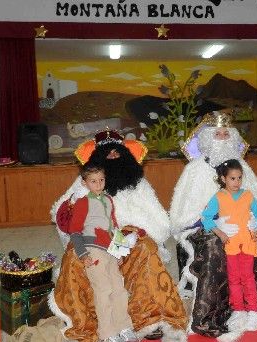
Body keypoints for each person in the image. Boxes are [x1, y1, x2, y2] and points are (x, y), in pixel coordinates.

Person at [170, 112, 257, 340]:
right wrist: (214, 224)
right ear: (207, 139)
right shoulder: (194, 170)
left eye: (226, 134)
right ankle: (217, 312)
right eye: (217, 134)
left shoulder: (243, 169)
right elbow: (183, 213)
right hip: (205, 228)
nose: (222, 138)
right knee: (214, 246)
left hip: (245, 227)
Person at [50, 129, 187, 341]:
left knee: (147, 250)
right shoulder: (84, 184)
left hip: (130, 243)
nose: (113, 157)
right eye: (108, 154)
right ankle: (96, 323)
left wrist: (136, 230)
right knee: (76, 259)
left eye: (117, 153)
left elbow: (160, 223)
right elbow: (63, 220)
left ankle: (150, 318)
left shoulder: (138, 183)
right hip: (93, 244)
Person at [64, 164, 138, 342]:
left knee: (119, 289)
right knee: (103, 290)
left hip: (110, 250)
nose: (98, 184)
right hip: (93, 249)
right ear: (85, 183)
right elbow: (74, 230)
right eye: (93, 181)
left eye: (101, 180)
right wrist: (83, 254)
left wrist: (118, 253)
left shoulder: (108, 200)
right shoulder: (83, 203)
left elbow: (113, 227)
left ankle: (124, 327)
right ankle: (108, 333)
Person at [201, 159, 257, 331]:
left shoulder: (248, 196)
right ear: (223, 179)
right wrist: (220, 231)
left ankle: (253, 311)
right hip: (231, 244)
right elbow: (206, 218)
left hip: (247, 243)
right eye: (232, 178)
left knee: (247, 277)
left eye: (239, 178)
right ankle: (238, 310)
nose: (236, 182)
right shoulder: (218, 197)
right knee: (234, 279)